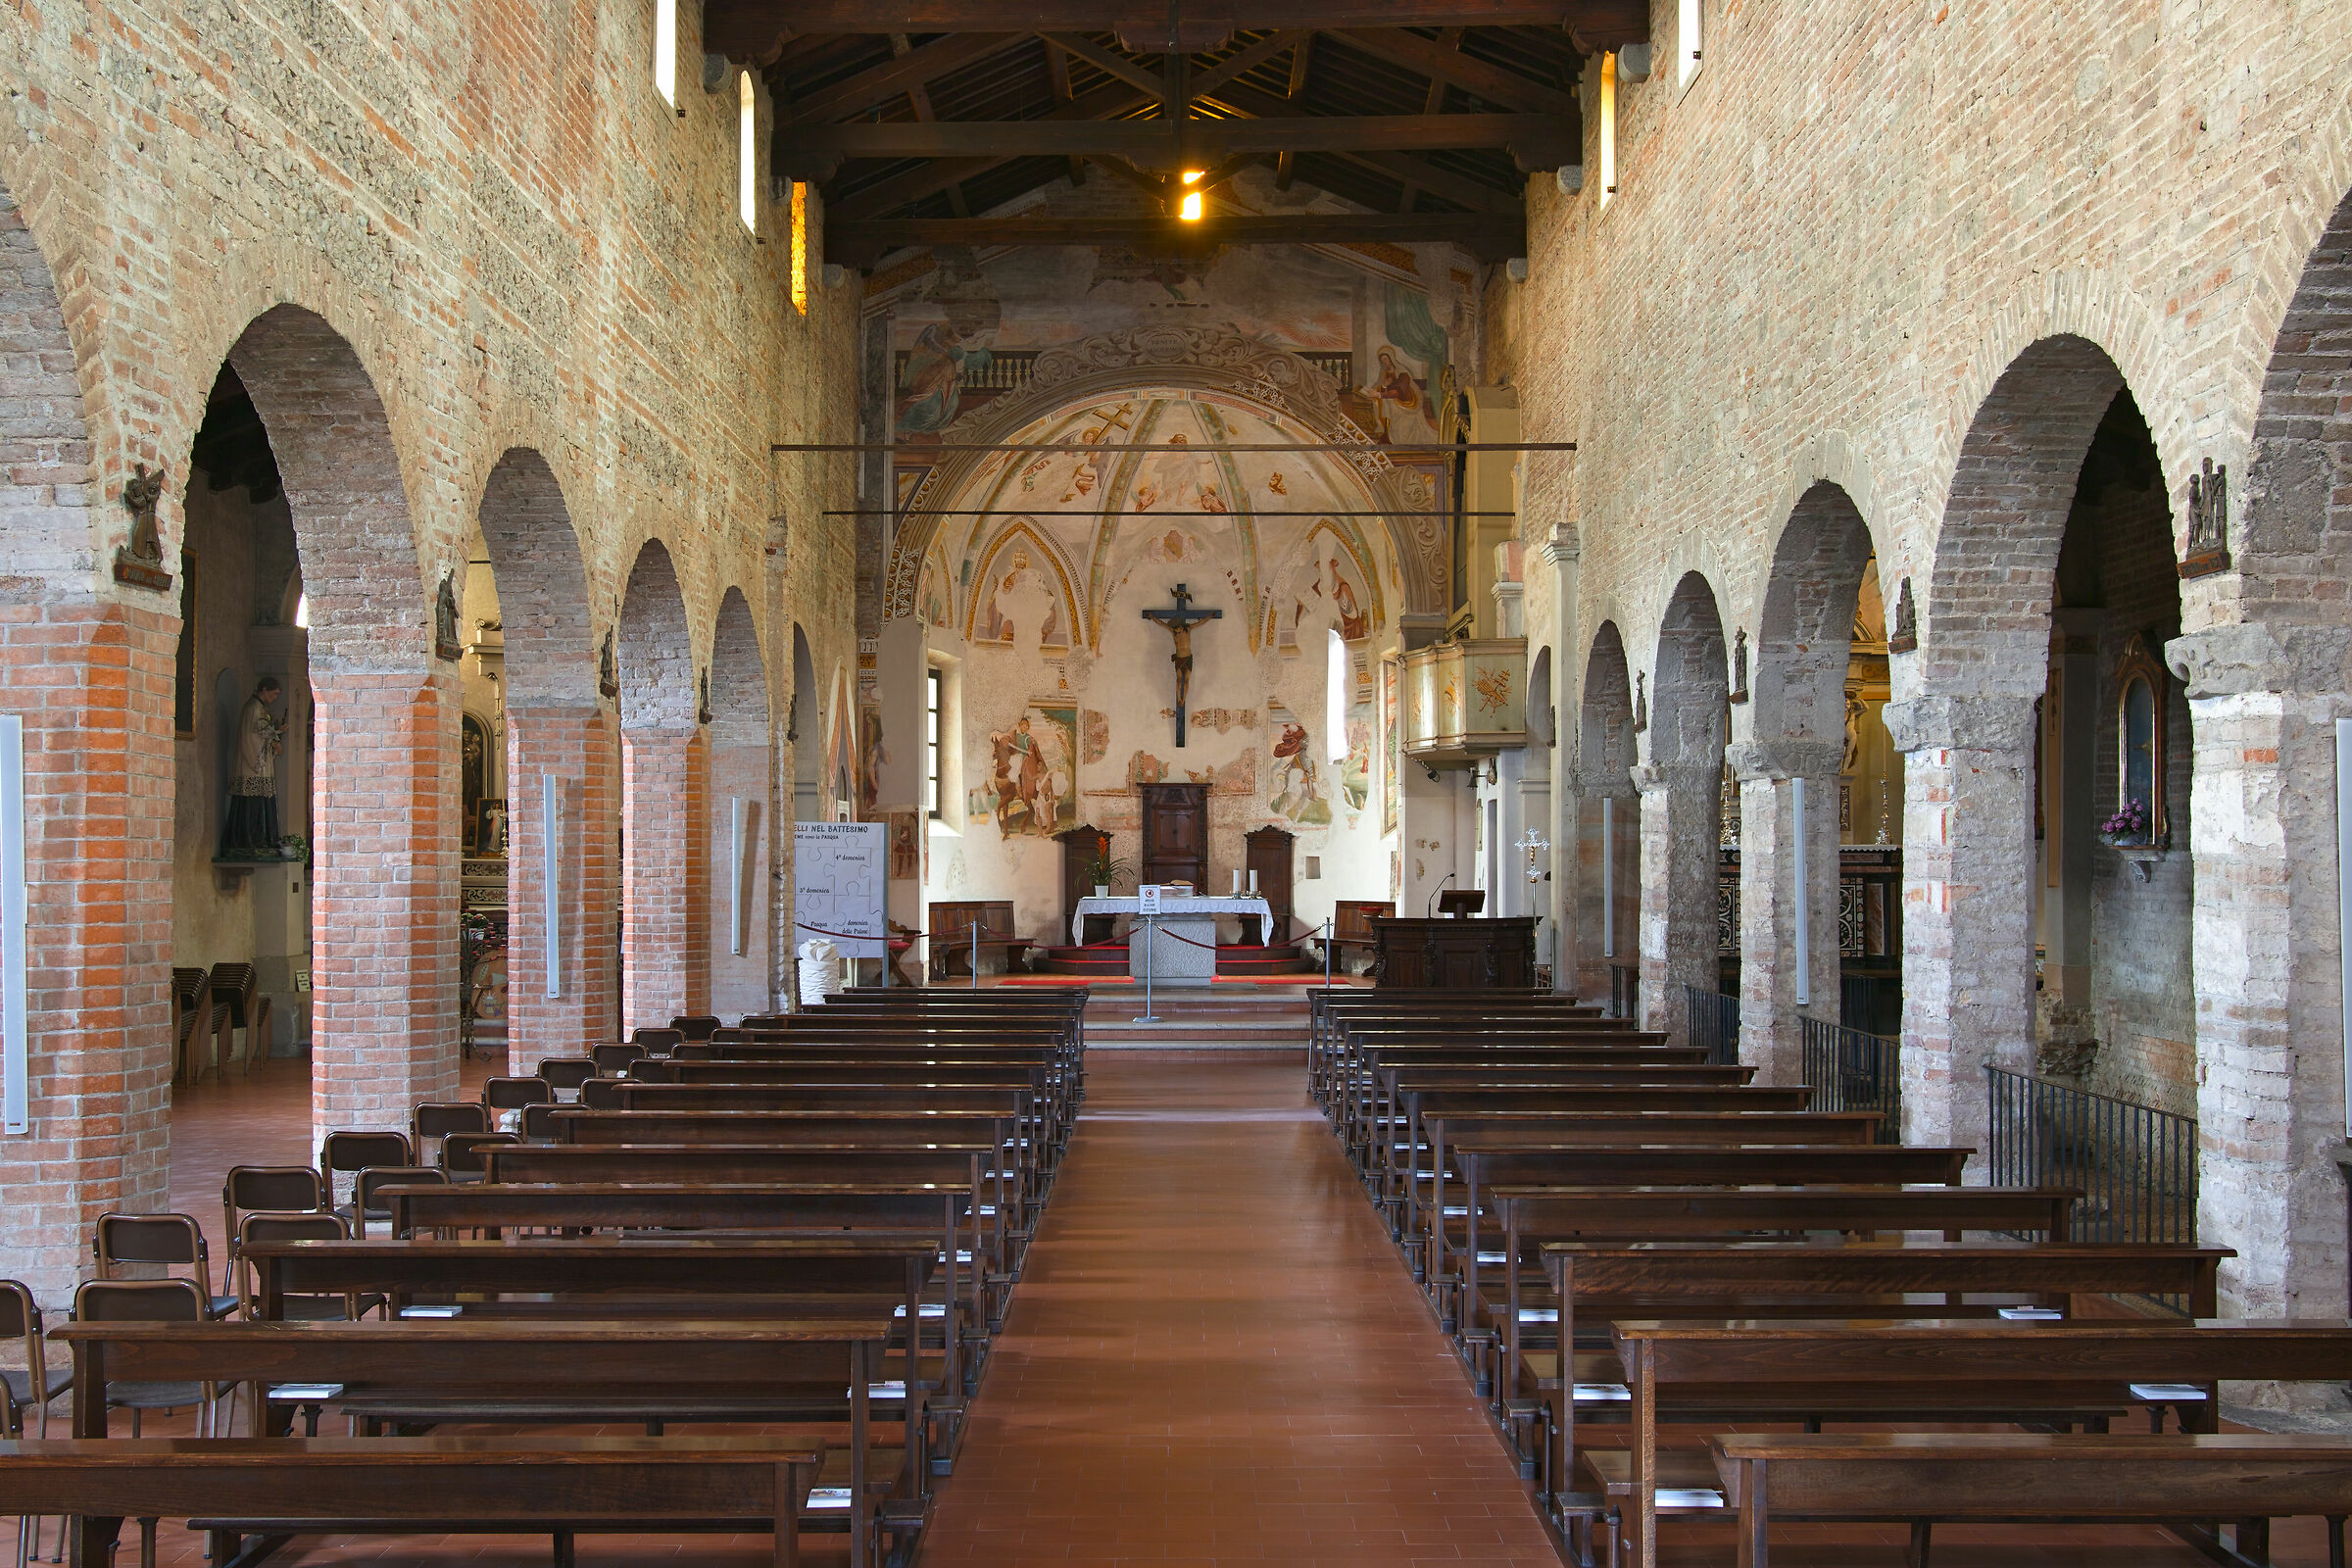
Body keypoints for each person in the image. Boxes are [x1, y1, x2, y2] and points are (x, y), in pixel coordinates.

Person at [221, 675, 286, 857]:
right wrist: (275, 737)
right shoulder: (253, 709)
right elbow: (257, 733)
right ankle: (249, 840)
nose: (274, 699)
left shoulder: (258, 709)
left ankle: (260, 839)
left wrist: (275, 735)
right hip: (252, 767)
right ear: (264, 689)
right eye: (273, 694)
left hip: (259, 766)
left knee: (258, 801)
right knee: (251, 804)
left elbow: (263, 731)